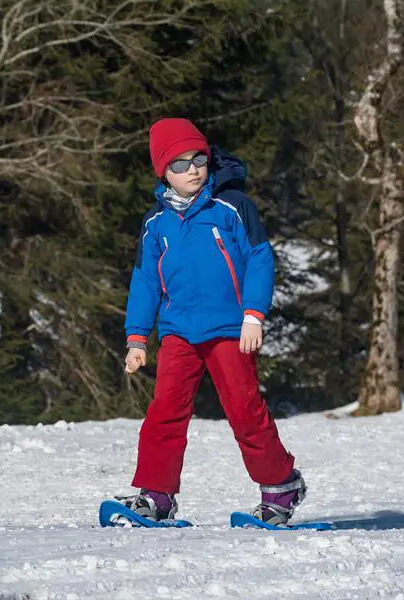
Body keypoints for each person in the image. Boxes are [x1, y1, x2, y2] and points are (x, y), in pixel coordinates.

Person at [118, 117, 306, 526]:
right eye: (181, 163)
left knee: (244, 410)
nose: (193, 169)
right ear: (163, 171)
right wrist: (137, 338)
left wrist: (253, 315)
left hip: (230, 331)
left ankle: (280, 488)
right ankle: (157, 496)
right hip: (178, 332)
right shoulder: (156, 223)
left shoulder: (232, 206)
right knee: (165, 412)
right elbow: (146, 280)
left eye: (199, 158)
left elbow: (259, 257)